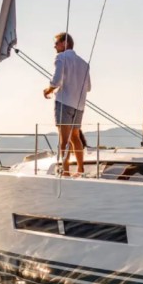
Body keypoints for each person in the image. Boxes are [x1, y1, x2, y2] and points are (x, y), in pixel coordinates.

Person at [43, 32, 91, 176]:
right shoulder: (84, 63)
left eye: (57, 43)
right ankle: (81, 169)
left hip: (64, 102)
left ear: (65, 43)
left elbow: (57, 80)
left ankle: (65, 171)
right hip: (79, 105)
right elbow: (88, 87)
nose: (54, 46)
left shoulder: (61, 57)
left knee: (64, 139)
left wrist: (48, 89)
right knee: (75, 137)